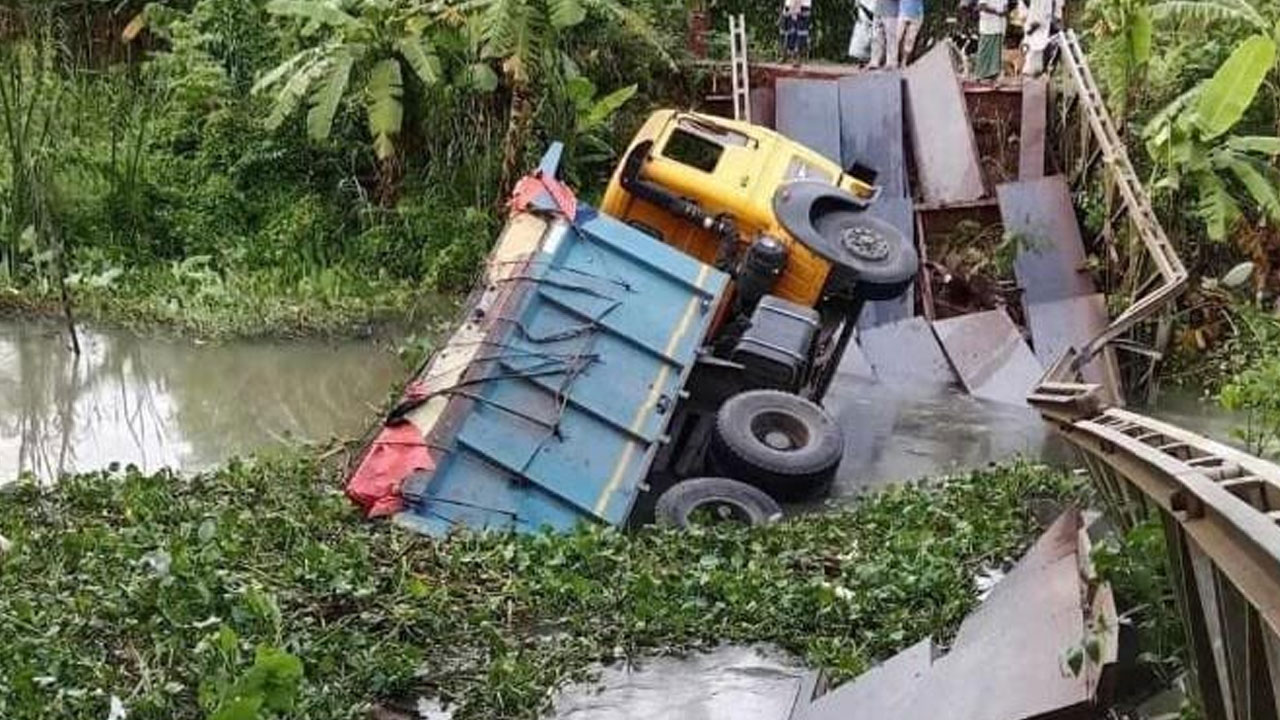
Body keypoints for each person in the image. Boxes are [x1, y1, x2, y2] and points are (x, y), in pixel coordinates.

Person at [1020, 0, 1062, 76]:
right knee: (1032, 52)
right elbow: (1024, 14)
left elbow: (1050, 12)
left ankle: (1043, 70)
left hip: (1043, 28)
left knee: (1042, 49)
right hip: (1034, 29)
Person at [974, 0, 1008, 81]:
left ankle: (993, 75)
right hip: (987, 26)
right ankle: (980, 75)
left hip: (999, 26)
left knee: (996, 53)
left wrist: (1004, 12)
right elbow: (982, 6)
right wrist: (996, 12)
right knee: (984, 50)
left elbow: (1006, 7)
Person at [868, 0, 899, 69]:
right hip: (878, 10)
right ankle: (875, 61)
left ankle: (891, 62)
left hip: (891, 12)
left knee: (891, 38)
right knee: (876, 37)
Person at [895, 0, 924, 66]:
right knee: (897, 37)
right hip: (902, 12)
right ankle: (894, 60)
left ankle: (903, 62)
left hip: (917, 14)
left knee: (910, 39)